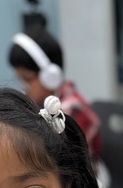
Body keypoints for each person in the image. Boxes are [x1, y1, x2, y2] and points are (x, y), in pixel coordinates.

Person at [8, 28, 103, 172]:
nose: (24, 88)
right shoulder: (41, 103)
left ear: (50, 76)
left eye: (27, 79)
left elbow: (57, 166)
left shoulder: (70, 111)